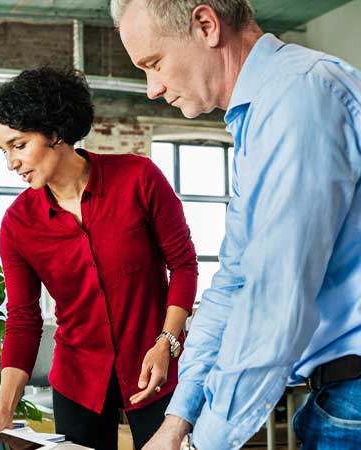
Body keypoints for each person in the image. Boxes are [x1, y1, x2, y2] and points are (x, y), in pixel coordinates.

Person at [112, 1, 361, 449]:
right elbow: (233, 282)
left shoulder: (299, 99)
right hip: (338, 394)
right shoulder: (262, 114)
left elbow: (275, 299)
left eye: (154, 63)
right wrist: (177, 423)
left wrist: (204, 443)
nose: (152, 88)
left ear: (206, 25)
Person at [0, 67, 198, 450]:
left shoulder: (139, 178)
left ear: (55, 132)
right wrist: (5, 408)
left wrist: (167, 342)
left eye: (19, 145)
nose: (11, 163)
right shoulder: (18, 224)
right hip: (79, 382)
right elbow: (23, 317)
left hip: (156, 370)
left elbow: (184, 265)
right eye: (3, 150)